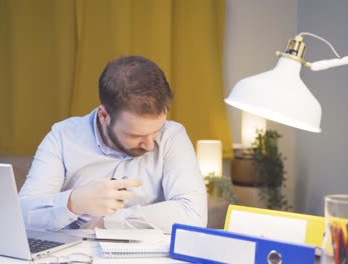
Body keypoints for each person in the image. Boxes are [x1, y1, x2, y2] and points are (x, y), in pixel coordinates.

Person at [19, 55, 207, 233]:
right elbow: (22, 215)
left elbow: (194, 214)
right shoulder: (62, 137)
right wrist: (73, 202)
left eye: (156, 130)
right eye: (136, 135)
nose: (150, 145)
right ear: (104, 116)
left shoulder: (172, 136)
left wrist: (109, 222)